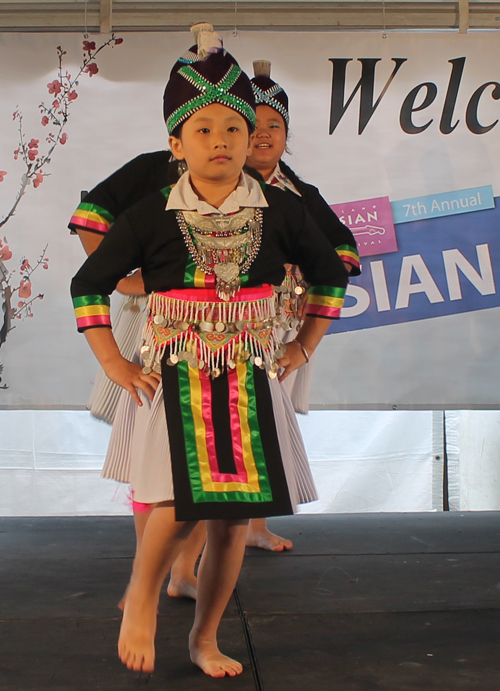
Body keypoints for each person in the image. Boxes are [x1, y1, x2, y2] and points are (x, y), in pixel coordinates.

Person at [70, 24, 348, 676]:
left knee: (230, 522)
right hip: (175, 374)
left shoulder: (282, 210)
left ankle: (204, 636)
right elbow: (89, 285)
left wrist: (304, 345)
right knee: (170, 496)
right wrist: (113, 360)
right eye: (204, 130)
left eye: (234, 129)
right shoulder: (151, 213)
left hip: (251, 372)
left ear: (253, 139)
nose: (221, 141)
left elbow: (332, 272)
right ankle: (142, 591)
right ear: (176, 143)